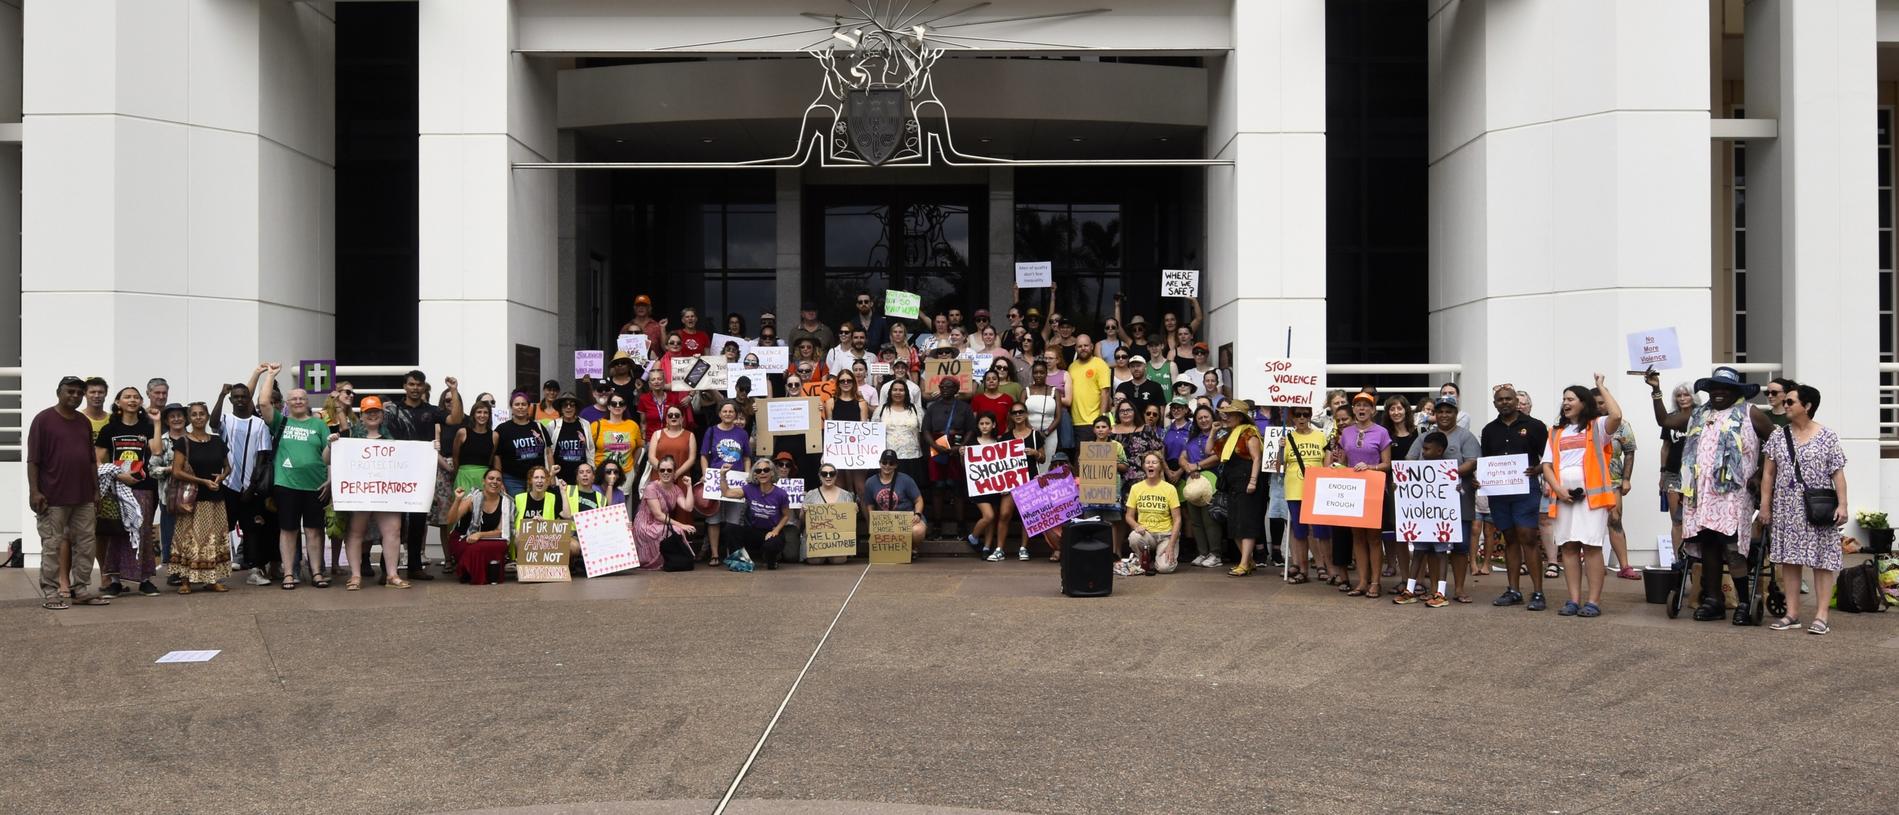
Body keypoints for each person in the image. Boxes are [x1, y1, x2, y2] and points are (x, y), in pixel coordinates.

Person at [1647, 366, 1773, 622]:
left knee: (1733, 549)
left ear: (1735, 391)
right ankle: (1713, 600)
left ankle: (1743, 604)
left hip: (1733, 495)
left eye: (1724, 388)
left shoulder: (1751, 414)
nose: (1717, 393)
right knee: (1709, 548)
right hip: (1701, 496)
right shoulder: (1699, 414)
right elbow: (1665, 421)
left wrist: (1760, 474)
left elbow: (1776, 443)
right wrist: (1656, 391)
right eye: (1713, 388)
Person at [1760, 384, 1847, 635]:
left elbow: (1837, 473)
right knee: (1789, 560)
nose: (1784, 405)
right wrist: (1766, 506)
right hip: (1786, 507)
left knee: (1822, 561)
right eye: (1785, 401)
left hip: (1817, 507)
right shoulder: (1778, 436)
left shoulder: (1827, 436)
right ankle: (1792, 613)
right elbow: (1768, 474)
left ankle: (1821, 616)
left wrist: (1843, 505)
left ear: (1807, 406)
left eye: (1790, 402)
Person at [1542, 376, 1623, 618]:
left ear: (1583, 403)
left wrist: (1601, 388)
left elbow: (1616, 416)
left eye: (1571, 399)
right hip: (1563, 498)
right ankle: (1573, 600)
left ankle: (1593, 601)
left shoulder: (1597, 427)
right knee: (1568, 547)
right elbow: (1546, 464)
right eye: (1563, 399)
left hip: (1591, 500)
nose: (1565, 403)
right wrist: (1557, 489)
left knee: (1591, 547)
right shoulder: (1556, 432)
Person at [29, 376, 107, 608]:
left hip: (84, 496)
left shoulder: (83, 422)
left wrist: (96, 491)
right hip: (52, 497)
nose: (74, 396)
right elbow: (33, 460)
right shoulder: (43, 420)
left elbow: (92, 460)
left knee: (86, 544)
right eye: (69, 392)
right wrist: (34, 491)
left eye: (78, 393)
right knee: (51, 545)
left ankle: (81, 589)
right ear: (59, 392)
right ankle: (51, 592)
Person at [257, 367, 332, 590]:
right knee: (288, 530)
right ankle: (289, 573)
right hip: (286, 485)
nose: (298, 401)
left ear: (308, 401)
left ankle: (316, 572)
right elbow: (263, 404)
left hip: (316, 485)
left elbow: (329, 456)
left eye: (302, 398)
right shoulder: (280, 422)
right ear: (287, 403)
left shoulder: (319, 425)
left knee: (314, 531)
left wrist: (330, 480)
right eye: (294, 399)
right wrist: (270, 376)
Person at [1405, 396, 1481, 605]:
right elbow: (1410, 461)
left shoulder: (1466, 437)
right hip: (1429, 505)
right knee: (1431, 545)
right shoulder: (1424, 437)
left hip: (1459, 501)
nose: (1444, 415)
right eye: (1440, 411)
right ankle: (1435, 590)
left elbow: (1473, 461)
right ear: (1434, 414)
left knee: (1460, 546)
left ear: (1456, 414)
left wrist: (1448, 474)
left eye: (1449, 411)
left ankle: (1458, 589)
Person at [1481, 384, 1550, 610]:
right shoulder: (1489, 430)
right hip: (1499, 491)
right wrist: (1482, 478)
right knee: (1509, 537)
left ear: (1516, 401)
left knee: (1528, 537)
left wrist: (1538, 470)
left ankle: (1538, 592)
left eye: (1508, 399)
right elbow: (1486, 461)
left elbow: (1549, 458)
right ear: (1495, 404)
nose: (1505, 403)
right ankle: (1514, 590)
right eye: (1500, 400)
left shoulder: (1535, 426)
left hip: (1525, 488)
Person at [211, 368, 277, 585]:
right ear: (231, 400)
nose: (240, 400)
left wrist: (252, 487)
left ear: (250, 399)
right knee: (222, 528)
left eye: (244, 396)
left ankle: (255, 570)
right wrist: (220, 395)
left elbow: (262, 457)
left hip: (251, 487)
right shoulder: (226, 421)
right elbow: (212, 423)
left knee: (253, 529)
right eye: (236, 397)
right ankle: (216, 570)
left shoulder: (259, 424)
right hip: (228, 485)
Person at [95, 385, 159, 597]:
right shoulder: (109, 430)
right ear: (118, 403)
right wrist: (117, 474)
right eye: (127, 397)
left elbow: (157, 450)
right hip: (117, 487)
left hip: (143, 486)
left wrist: (157, 423)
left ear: (141, 402)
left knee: (143, 530)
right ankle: (114, 580)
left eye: (135, 397)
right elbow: (96, 459)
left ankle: (145, 579)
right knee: (118, 532)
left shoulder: (147, 427)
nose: (132, 400)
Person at [1326, 392, 1390, 597]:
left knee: (1373, 537)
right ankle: (1362, 582)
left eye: (1366, 405)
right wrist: (1337, 465)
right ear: (1353, 409)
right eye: (1358, 405)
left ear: (1372, 410)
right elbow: (1344, 462)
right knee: (1358, 537)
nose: (1362, 409)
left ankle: (1375, 582)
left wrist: (1371, 467)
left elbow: (1387, 464)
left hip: (1374, 488)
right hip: (1353, 490)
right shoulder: (1346, 433)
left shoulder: (1381, 432)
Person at [165, 402, 232, 593]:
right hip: (192, 499)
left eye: (202, 414)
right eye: (194, 415)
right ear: (189, 418)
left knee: (213, 539)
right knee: (189, 538)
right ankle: (185, 580)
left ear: (207, 416)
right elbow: (176, 472)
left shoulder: (217, 441)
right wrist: (202, 481)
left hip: (215, 497)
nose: (198, 417)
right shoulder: (183, 442)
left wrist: (222, 476)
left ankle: (211, 579)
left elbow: (227, 467)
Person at [343, 396, 407, 590]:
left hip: (386, 494)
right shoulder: (350, 436)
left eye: (376, 411)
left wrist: (432, 449)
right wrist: (333, 443)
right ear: (361, 416)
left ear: (382, 414)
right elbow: (329, 458)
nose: (372, 415)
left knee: (392, 531)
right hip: (360, 493)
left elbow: (407, 461)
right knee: (355, 532)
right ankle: (355, 575)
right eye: (368, 412)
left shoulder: (392, 438)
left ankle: (392, 575)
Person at [1594, 387, 1641, 581]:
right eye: (1594, 403)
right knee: (1591, 523)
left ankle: (1624, 566)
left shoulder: (1622, 425)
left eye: (1602, 402)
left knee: (1615, 519)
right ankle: (1595, 565)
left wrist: (1626, 479)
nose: (1598, 406)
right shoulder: (1583, 425)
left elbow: (1629, 451)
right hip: (1588, 482)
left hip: (1612, 480)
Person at [700, 399, 752, 563]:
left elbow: (746, 457)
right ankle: (715, 554)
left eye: (731, 411)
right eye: (725, 411)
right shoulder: (711, 431)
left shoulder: (742, 434)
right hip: (715, 479)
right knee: (714, 519)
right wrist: (705, 474)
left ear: (735, 414)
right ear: (719, 413)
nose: (728, 414)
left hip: (736, 480)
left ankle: (733, 553)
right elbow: (704, 456)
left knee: (734, 519)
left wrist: (747, 475)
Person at [924, 376, 975, 539]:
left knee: (957, 487)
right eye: (943, 386)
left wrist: (961, 446)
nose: (945, 389)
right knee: (938, 487)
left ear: (956, 389)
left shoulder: (964, 407)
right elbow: (925, 430)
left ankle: (961, 526)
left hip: (957, 448)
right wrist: (935, 445)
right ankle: (937, 525)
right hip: (937, 447)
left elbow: (971, 429)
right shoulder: (932, 407)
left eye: (949, 386)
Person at [446, 469, 513, 579]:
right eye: (491, 478)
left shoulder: (506, 502)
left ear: (501, 484)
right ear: (483, 481)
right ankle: (469, 572)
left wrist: (480, 535)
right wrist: (458, 500)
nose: (494, 482)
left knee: (501, 545)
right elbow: (450, 520)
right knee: (476, 548)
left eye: (498, 479)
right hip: (464, 538)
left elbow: (501, 532)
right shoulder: (472, 499)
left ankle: (485, 573)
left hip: (486, 538)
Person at [632, 456, 695, 570]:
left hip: (660, 522)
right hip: (645, 523)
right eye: (662, 470)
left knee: (675, 530)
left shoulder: (676, 489)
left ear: (674, 472)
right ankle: (660, 561)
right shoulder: (651, 488)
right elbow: (658, 515)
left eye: (669, 470)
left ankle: (671, 560)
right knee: (676, 530)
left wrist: (689, 486)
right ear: (658, 471)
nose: (665, 473)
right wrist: (681, 525)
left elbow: (688, 507)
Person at [862, 449, 927, 558]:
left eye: (891, 463)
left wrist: (918, 514)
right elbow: (869, 504)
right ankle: (895, 550)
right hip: (885, 522)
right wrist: (873, 523)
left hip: (906, 517)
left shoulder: (906, 480)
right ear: (879, 463)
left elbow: (918, 500)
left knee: (918, 531)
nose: (887, 466)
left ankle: (911, 548)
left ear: (896, 465)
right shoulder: (870, 482)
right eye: (884, 462)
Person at [1126, 451, 1183, 576]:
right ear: (1143, 466)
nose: (1150, 465)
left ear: (1160, 467)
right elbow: (1129, 516)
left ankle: (1159, 558)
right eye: (1147, 462)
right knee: (1134, 537)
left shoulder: (1169, 489)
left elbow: (1177, 519)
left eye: (1154, 462)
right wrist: (1136, 526)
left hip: (1166, 535)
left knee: (1165, 568)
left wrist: (1171, 545)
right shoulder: (1136, 488)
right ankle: (1143, 561)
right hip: (1147, 534)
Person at [150, 402, 189, 577]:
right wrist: (171, 469)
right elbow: (152, 470)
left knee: (191, 535)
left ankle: (192, 572)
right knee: (171, 536)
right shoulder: (162, 442)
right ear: (167, 420)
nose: (176, 419)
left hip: (193, 497)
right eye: (172, 416)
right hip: (169, 498)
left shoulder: (194, 438)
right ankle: (175, 573)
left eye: (180, 415)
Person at [494, 392, 552, 497]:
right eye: (517, 404)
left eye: (523, 404)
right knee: (518, 510)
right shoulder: (502, 429)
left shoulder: (538, 427)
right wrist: (499, 479)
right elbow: (497, 456)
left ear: (528, 407)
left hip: (537, 479)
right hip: (512, 480)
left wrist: (551, 475)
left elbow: (548, 452)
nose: (520, 407)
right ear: (511, 407)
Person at [1659, 382, 1694, 558]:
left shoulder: (1701, 417)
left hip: (1696, 474)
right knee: (1677, 520)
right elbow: (1665, 447)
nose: (1682, 398)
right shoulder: (1671, 419)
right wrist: (1662, 472)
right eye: (1679, 396)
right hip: (1673, 473)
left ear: (1693, 396)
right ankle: (1678, 560)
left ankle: (1695, 560)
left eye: (1686, 395)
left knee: (1694, 519)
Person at [804, 463, 857, 565]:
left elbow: (849, 523)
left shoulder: (846, 495)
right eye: (824, 474)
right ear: (820, 476)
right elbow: (802, 521)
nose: (828, 476)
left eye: (831, 474)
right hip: (817, 540)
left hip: (838, 540)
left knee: (839, 560)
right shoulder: (811, 494)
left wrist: (853, 511)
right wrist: (804, 512)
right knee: (815, 561)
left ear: (836, 476)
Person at [546, 392, 594, 485]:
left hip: (581, 478)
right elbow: (548, 452)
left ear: (576, 408)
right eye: (565, 405)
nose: (568, 407)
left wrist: (591, 472)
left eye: (572, 405)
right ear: (561, 408)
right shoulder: (553, 425)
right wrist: (551, 476)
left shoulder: (584, 424)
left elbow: (590, 449)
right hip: (559, 478)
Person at [1066, 334, 1112, 428]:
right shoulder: (1071, 367)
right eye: (1080, 346)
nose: (1083, 348)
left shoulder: (1100, 364)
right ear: (1075, 348)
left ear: (1091, 346)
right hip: (1074, 422)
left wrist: (1101, 420)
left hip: (1094, 421)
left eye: (1086, 345)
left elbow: (1105, 393)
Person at [646, 404, 698, 486]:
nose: (673, 417)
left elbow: (692, 459)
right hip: (659, 478)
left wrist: (676, 474)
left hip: (681, 478)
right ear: (666, 419)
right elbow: (651, 457)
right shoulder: (657, 434)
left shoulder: (690, 435)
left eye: (677, 415)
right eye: (670, 415)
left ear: (682, 418)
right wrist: (664, 472)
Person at [591, 391, 642, 472]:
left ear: (625, 407)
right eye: (614, 404)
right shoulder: (596, 425)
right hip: (602, 473)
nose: (618, 406)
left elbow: (639, 446)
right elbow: (589, 448)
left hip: (626, 473)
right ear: (608, 407)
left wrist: (633, 464)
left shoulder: (633, 425)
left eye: (621, 403)